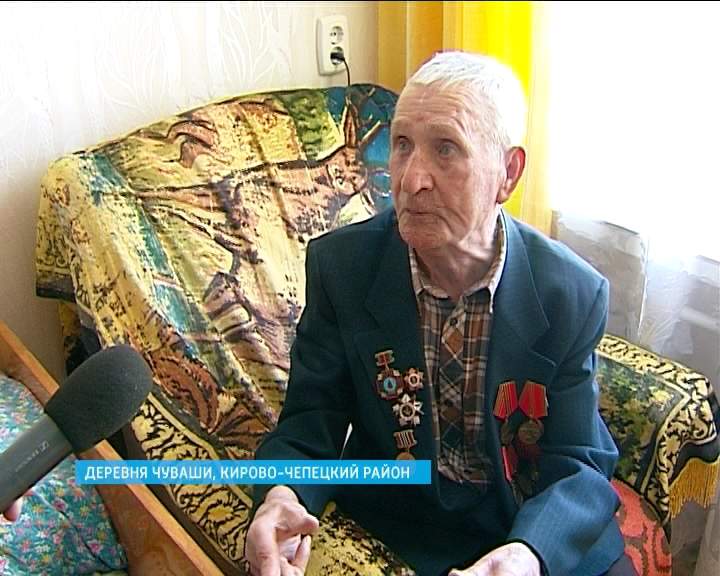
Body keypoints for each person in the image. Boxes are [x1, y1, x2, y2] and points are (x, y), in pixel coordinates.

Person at [245, 51, 630, 576]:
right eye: (402, 144)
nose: (411, 180)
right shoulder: (343, 268)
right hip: (404, 516)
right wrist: (280, 497)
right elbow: (311, 421)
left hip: (527, 519)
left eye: (446, 149)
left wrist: (528, 554)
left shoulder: (570, 294)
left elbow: (578, 460)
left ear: (508, 174)